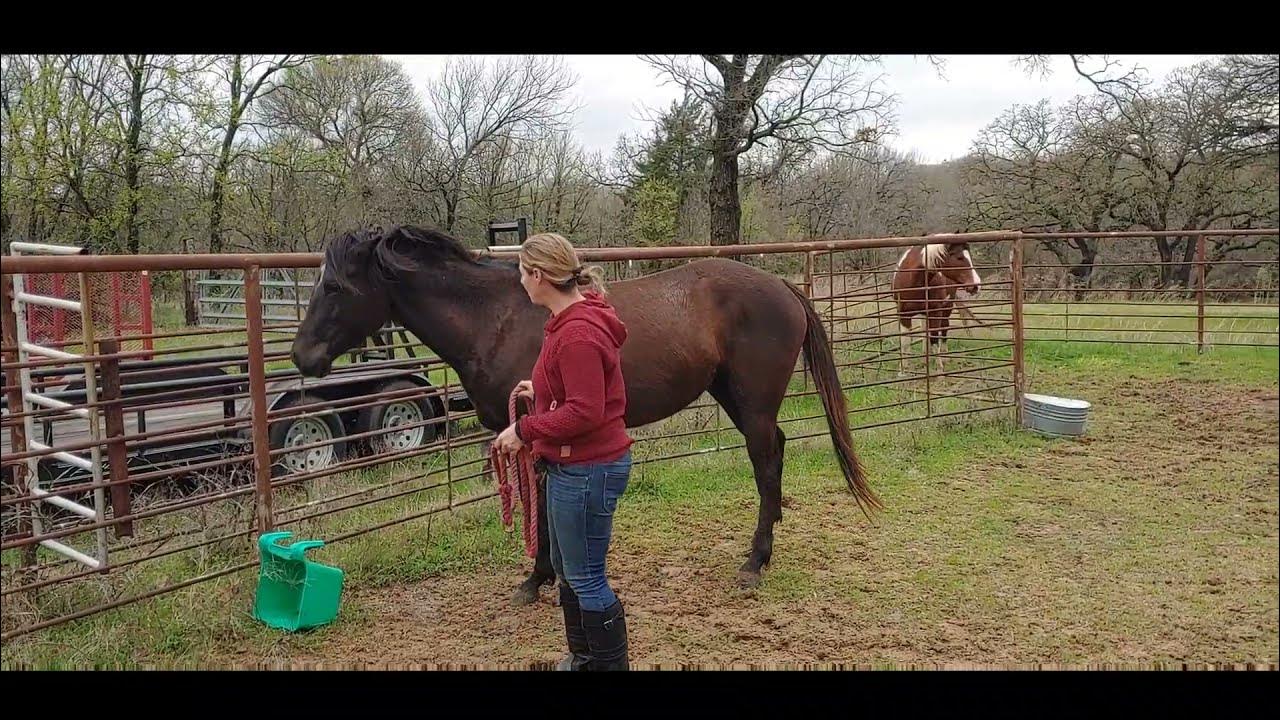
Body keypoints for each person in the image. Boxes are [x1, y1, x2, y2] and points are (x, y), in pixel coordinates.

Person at [493, 232, 634, 671]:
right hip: (573, 465)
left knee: (587, 576)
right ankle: (583, 658)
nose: (520, 282)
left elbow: (587, 411)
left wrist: (525, 428)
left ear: (539, 276)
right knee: (567, 567)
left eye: (521, 272)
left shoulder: (576, 334)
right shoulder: (574, 320)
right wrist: (545, 388)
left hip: (588, 469)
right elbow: (585, 389)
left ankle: (608, 665)